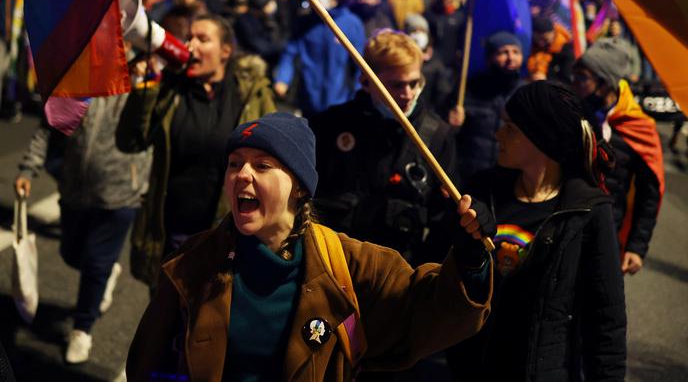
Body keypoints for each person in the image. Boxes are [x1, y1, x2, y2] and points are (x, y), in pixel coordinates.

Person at [126, 112, 495, 381]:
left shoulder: (351, 264)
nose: (242, 175)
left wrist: (470, 256)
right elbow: (147, 364)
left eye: (263, 165)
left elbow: (433, 313)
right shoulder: (192, 262)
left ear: (300, 186)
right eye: (235, 164)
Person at [447, 80, 627, 381]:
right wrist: (467, 244)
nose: (497, 134)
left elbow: (605, 319)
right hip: (472, 370)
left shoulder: (588, 211)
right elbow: (445, 282)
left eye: (510, 128)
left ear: (543, 140)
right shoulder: (482, 191)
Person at [116, 14, 275, 288]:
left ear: (225, 51)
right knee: (168, 319)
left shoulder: (250, 93)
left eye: (203, 39)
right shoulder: (171, 89)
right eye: (189, 38)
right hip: (175, 229)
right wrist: (148, 87)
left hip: (228, 232)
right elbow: (130, 141)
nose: (191, 46)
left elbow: (273, 154)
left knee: (213, 320)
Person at [15, 95, 151, 364]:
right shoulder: (79, 82)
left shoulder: (143, 82)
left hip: (122, 194)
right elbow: (48, 128)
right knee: (71, 253)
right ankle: (106, 271)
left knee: (95, 265)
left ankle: (82, 328)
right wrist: (29, 169)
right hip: (75, 191)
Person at [310, 30, 458, 265]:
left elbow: (442, 219)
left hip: (400, 269)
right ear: (366, 81)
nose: (408, 94)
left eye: (414, 83)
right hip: (335, 261)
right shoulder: (333, 124)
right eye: (396, 85)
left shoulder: (437, 136)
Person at [573, 39, 664, 275]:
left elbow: (649, 193)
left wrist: (636, 247)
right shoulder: (572, 113)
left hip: (607, 232)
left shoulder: (638, 126)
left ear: (605, 84)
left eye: (583, 78)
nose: (575, 83)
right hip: (566, 225)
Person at [274, 0, 365, 117]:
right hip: (308, 96)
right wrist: (283, 78)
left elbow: (360, 65)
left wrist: (357, 93)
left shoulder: (352, 24)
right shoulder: (306, 21)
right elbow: (289, 53)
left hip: (339, 100)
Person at [450, 32, 524, 184]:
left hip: (510, 177)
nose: (511, 58)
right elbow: (449, 136)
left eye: (515, 52)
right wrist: (453, 125)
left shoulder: (526, 92)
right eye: (503, 52)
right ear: (490, 57)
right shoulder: (470, 88)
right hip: (471, 174)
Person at [403, 13, 454, 120]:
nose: (418, 35)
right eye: (413, 31)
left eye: (421, 31)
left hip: (428, 117)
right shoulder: (401, 62)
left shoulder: (436, 63)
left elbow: (442, 96)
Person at [527, 15, 575, 83]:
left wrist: (547, 80)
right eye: (538, 39)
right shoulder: (530, 44)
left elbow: (566, 78)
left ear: (553, 33)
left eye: (545, 40)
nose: (541, 43)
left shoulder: (565, 50)